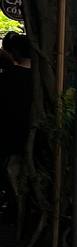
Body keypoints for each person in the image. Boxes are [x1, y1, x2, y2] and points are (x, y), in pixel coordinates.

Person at [0, 34, 34, 213]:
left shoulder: (7, 78)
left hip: (9, 140)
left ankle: (15, 209)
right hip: (33, 140)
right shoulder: (42, 79)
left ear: (13, 52)